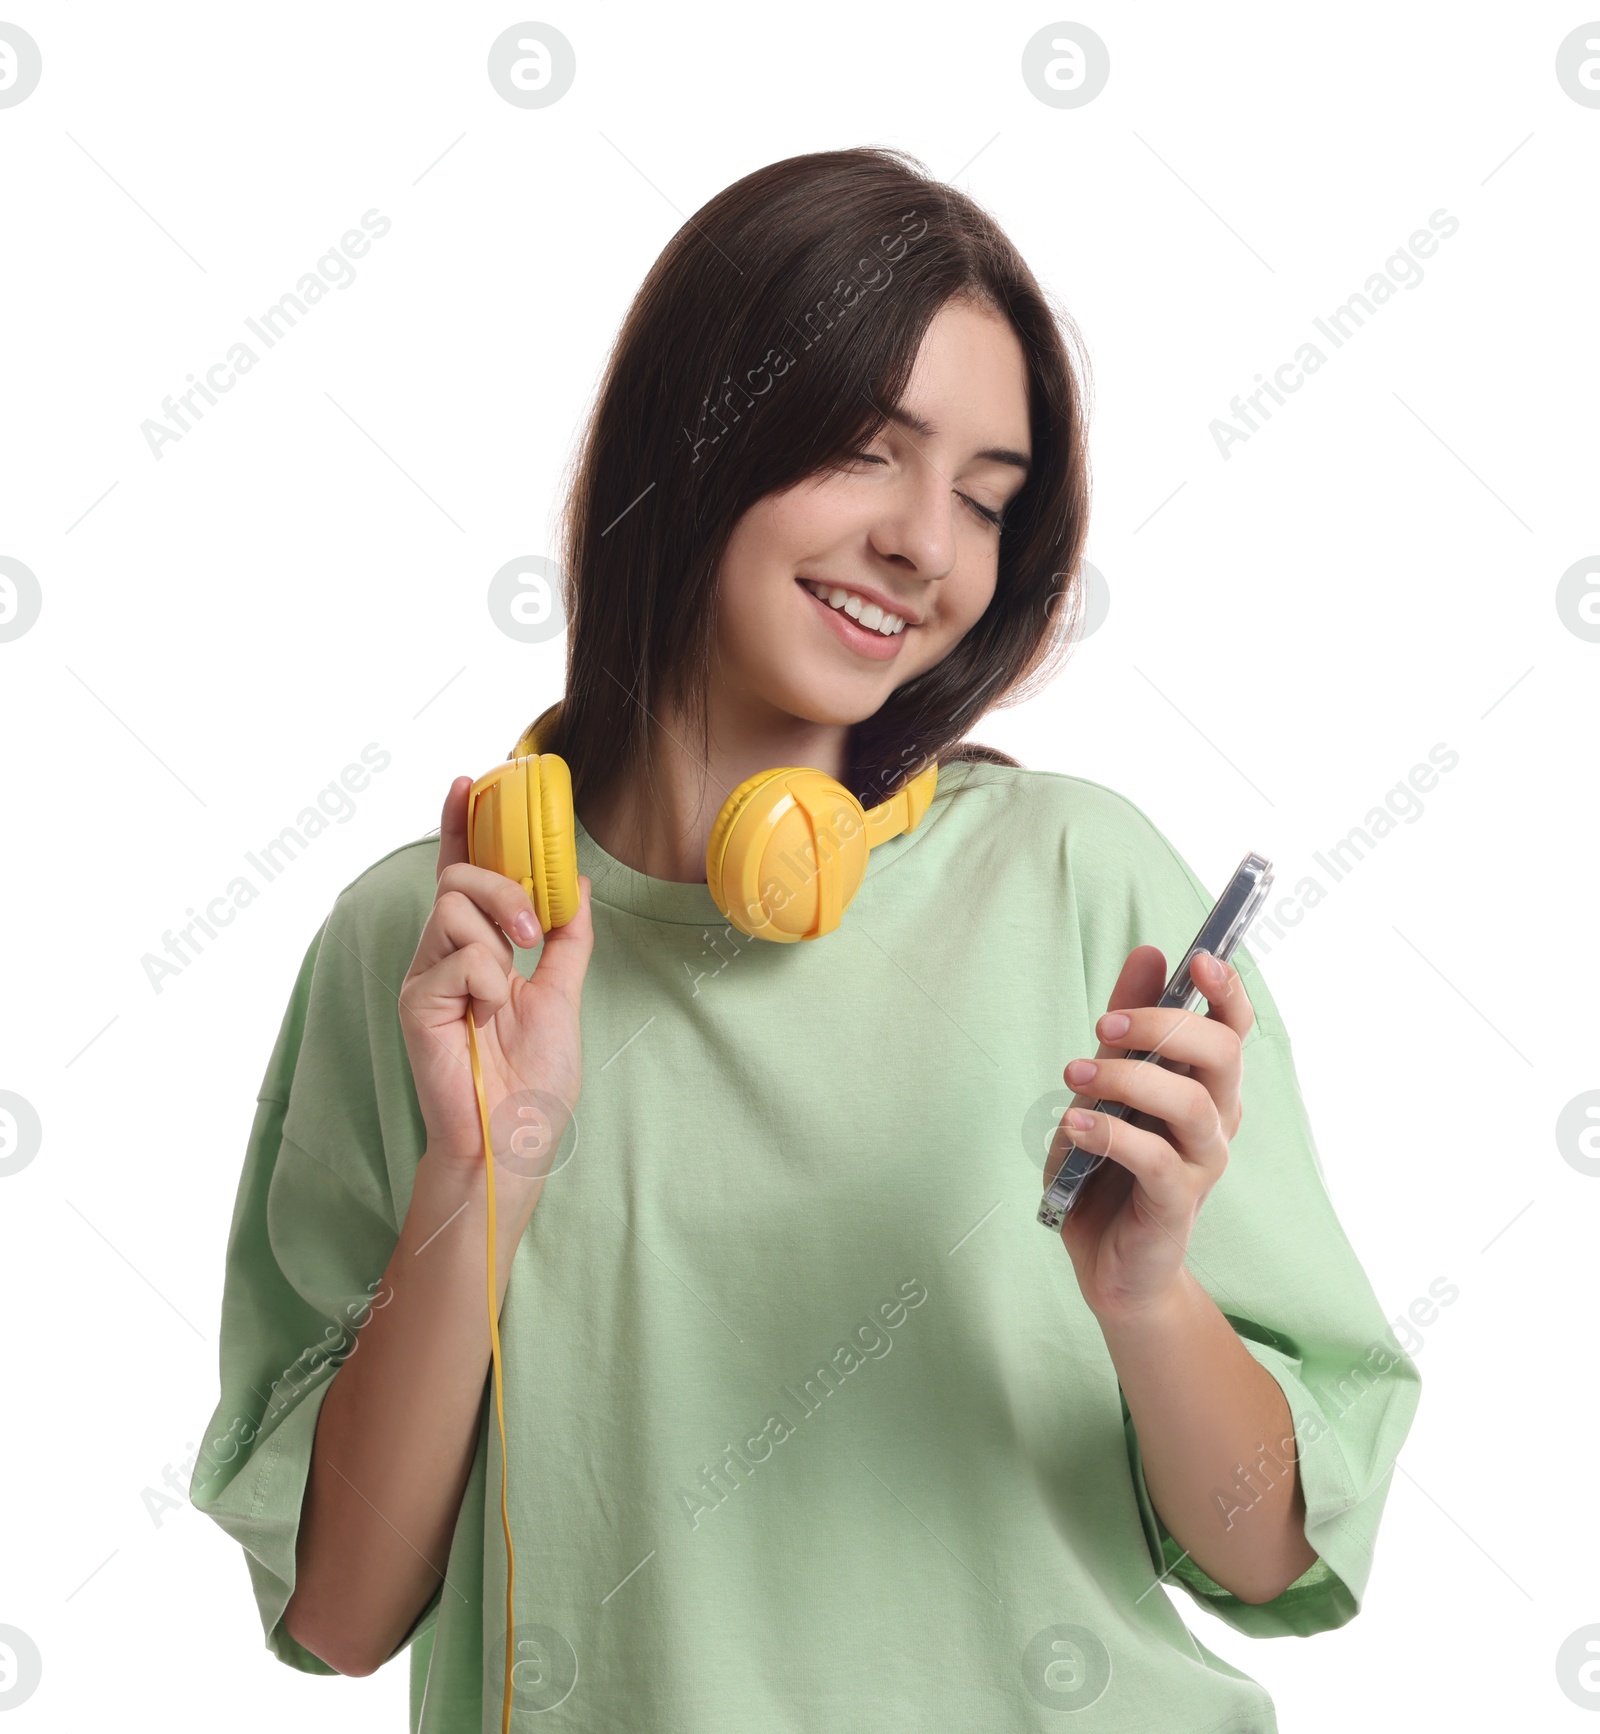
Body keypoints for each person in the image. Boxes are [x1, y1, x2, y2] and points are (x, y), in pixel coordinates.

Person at [189, 146, 1420, 1733]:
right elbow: (342, 1613)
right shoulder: (435, 951)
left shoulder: (1079, 880)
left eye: (985, 500)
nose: (927, 544)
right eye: (866, 452)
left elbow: (1268, 1555)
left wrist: (1149, 1292)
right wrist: (479, 1182)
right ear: (693, 435)